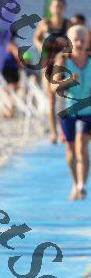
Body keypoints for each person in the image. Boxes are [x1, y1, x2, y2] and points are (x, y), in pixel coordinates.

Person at [54, 25, 91, 200]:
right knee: (70, 151)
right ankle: (75, 184)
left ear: (87, 42)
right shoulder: (63, 60)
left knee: (82, 146)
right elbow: (54, 87)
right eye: (75, 40)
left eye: (82, 40)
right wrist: (68, 81)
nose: (79, 43)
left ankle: (82, 185)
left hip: (88, 112)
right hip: (68, 110)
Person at [34, 0, 69, 143]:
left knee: (61, 97)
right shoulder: (45, 23)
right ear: (50, 8)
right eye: (55, 6)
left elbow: (73, 42)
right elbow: (36, 38)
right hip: (47, 63)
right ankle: (54, 133)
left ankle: (63, 131)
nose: (57, 9)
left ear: (64, 8)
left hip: (62, 63)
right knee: (50, 99)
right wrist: (41, 47)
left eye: (60, 6)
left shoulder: (68, 24)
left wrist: (65, 50)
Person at [1, 35, 21, 118]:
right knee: (13, 90)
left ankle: (9, 110)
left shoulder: (3, 45)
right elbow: (18, 57)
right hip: (11, 69)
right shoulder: (12, 45)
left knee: (8, 90)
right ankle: (10, 110)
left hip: (6, 69)